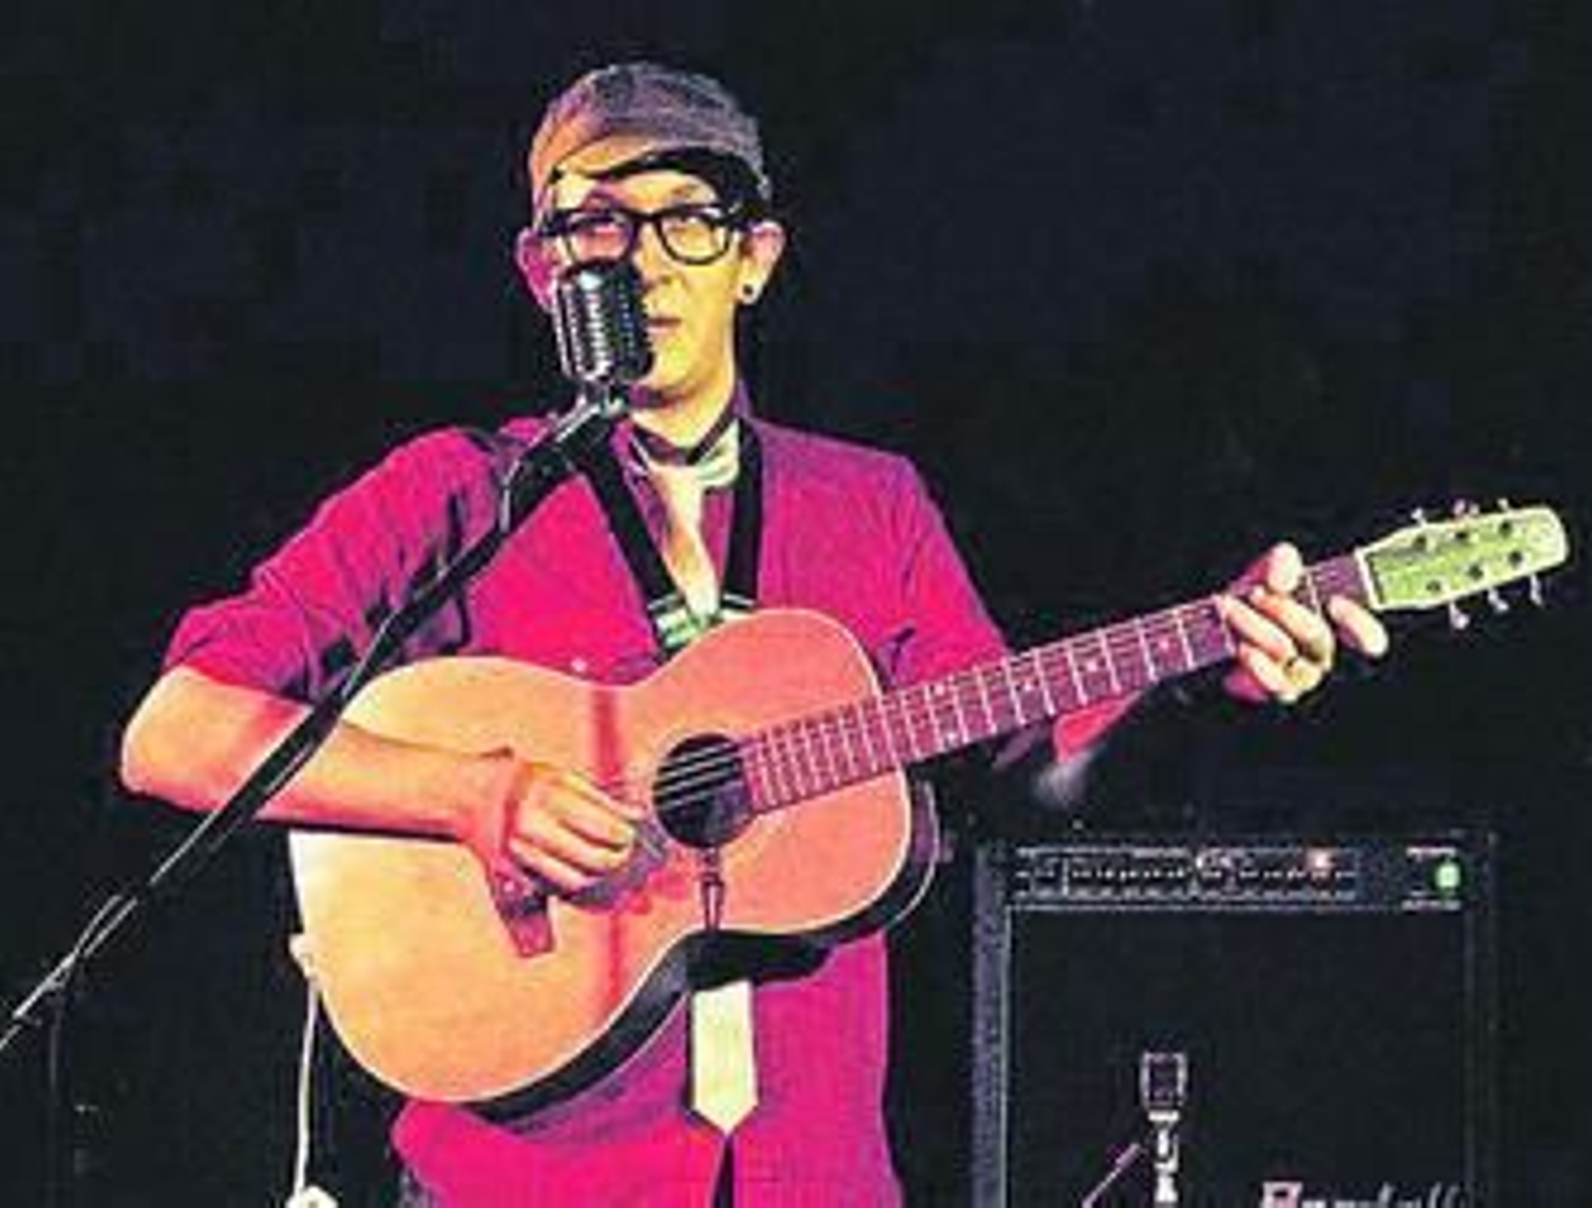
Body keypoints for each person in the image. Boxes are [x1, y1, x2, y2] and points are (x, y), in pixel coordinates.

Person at [119, 61, 1388, 1207]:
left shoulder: (870, 504)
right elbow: (173, 730)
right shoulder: (454, 491)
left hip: (815, 1171)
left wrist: (1190, 671)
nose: (646, 262)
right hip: (522, 1180)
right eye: (597, 224)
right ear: (543, 269)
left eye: (689, 218)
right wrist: (472, 794)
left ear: (754, 257)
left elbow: (1017, 767)